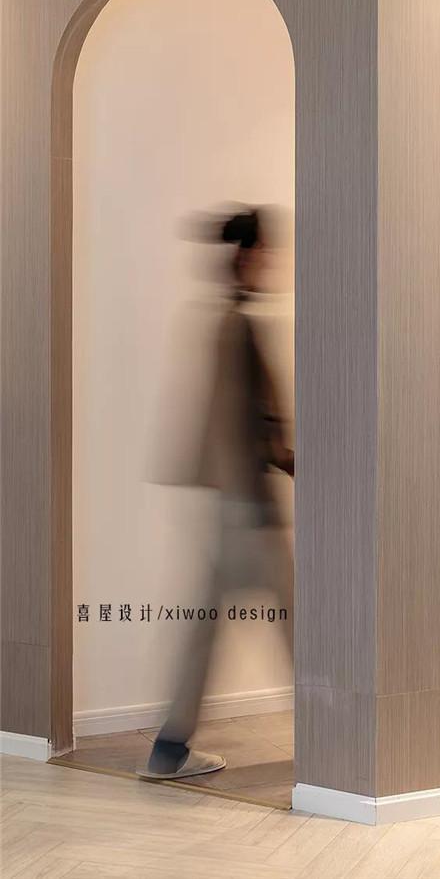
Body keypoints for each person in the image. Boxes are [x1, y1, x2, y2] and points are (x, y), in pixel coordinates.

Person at [138, 206, 294, 781]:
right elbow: (257, 430)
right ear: (248, 255)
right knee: (301, 624)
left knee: (202, 630)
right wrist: (300, 469)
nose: (273, 263)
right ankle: (340, 745)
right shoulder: (241, 327)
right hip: (249, 510)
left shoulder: (221, 321)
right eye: (268, 251)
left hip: (226, 506)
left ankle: (169, 748)